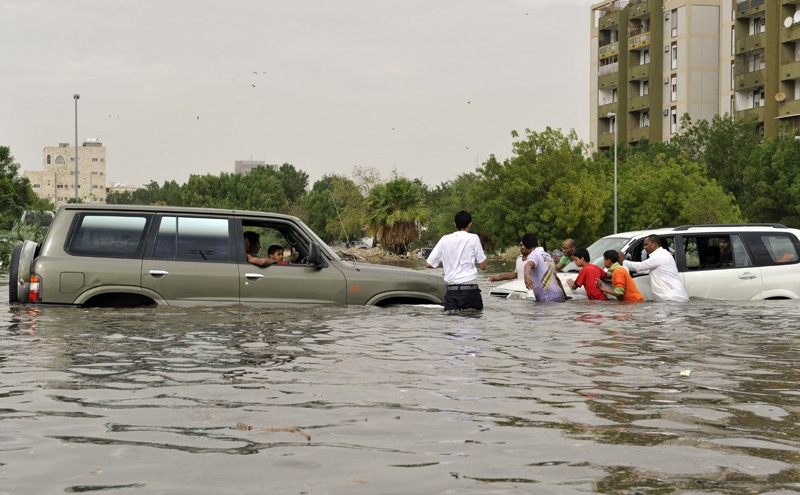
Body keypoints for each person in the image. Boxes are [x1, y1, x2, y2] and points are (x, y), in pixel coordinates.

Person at [426, 210, 488, 311]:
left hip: (452, 291)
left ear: (454, 224)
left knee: (452, 323)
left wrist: (447, 263)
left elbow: (429, 264)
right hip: (470, 289)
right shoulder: (473, 238)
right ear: (470, 224)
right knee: (473, 322)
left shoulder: (444, 239)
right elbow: (483, 266)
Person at [619, 234, 688, 302]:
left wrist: (623, 261)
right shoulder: (663, 254)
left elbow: (640, 266)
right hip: (673, 298)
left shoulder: (659, 256)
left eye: (646, 244)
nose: (644, 247)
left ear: (654, 244)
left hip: (671, 298)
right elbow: (647, 270)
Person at [523, 234, 569, 302]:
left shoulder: (533, 255)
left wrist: (526, 274)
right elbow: (556, 279)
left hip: (547, 298)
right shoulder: (548, 256)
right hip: (559, 295)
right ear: (537, 242)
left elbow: (528, 264)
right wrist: (565, 296)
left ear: (524, 246)